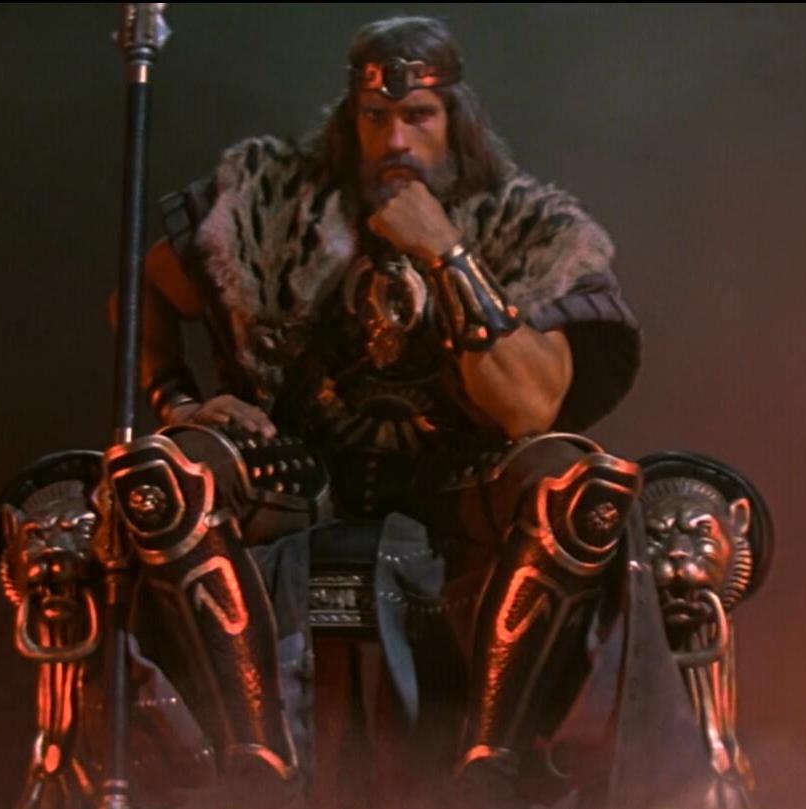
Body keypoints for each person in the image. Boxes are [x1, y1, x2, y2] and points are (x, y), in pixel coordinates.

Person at [106, 16, 642, 808]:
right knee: (164, 471)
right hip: (296, 470)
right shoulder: (276, 203)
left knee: (573, 483)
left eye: (417, 116)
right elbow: (143, 286)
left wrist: (445, 250)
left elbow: (530, 407)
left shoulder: (527, 227)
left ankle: (487, 776)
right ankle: (259, 771)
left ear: (455, 119)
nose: (394, 139)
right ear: (349, 119)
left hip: (461, 477)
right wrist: (180, 402)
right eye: (374, 117)